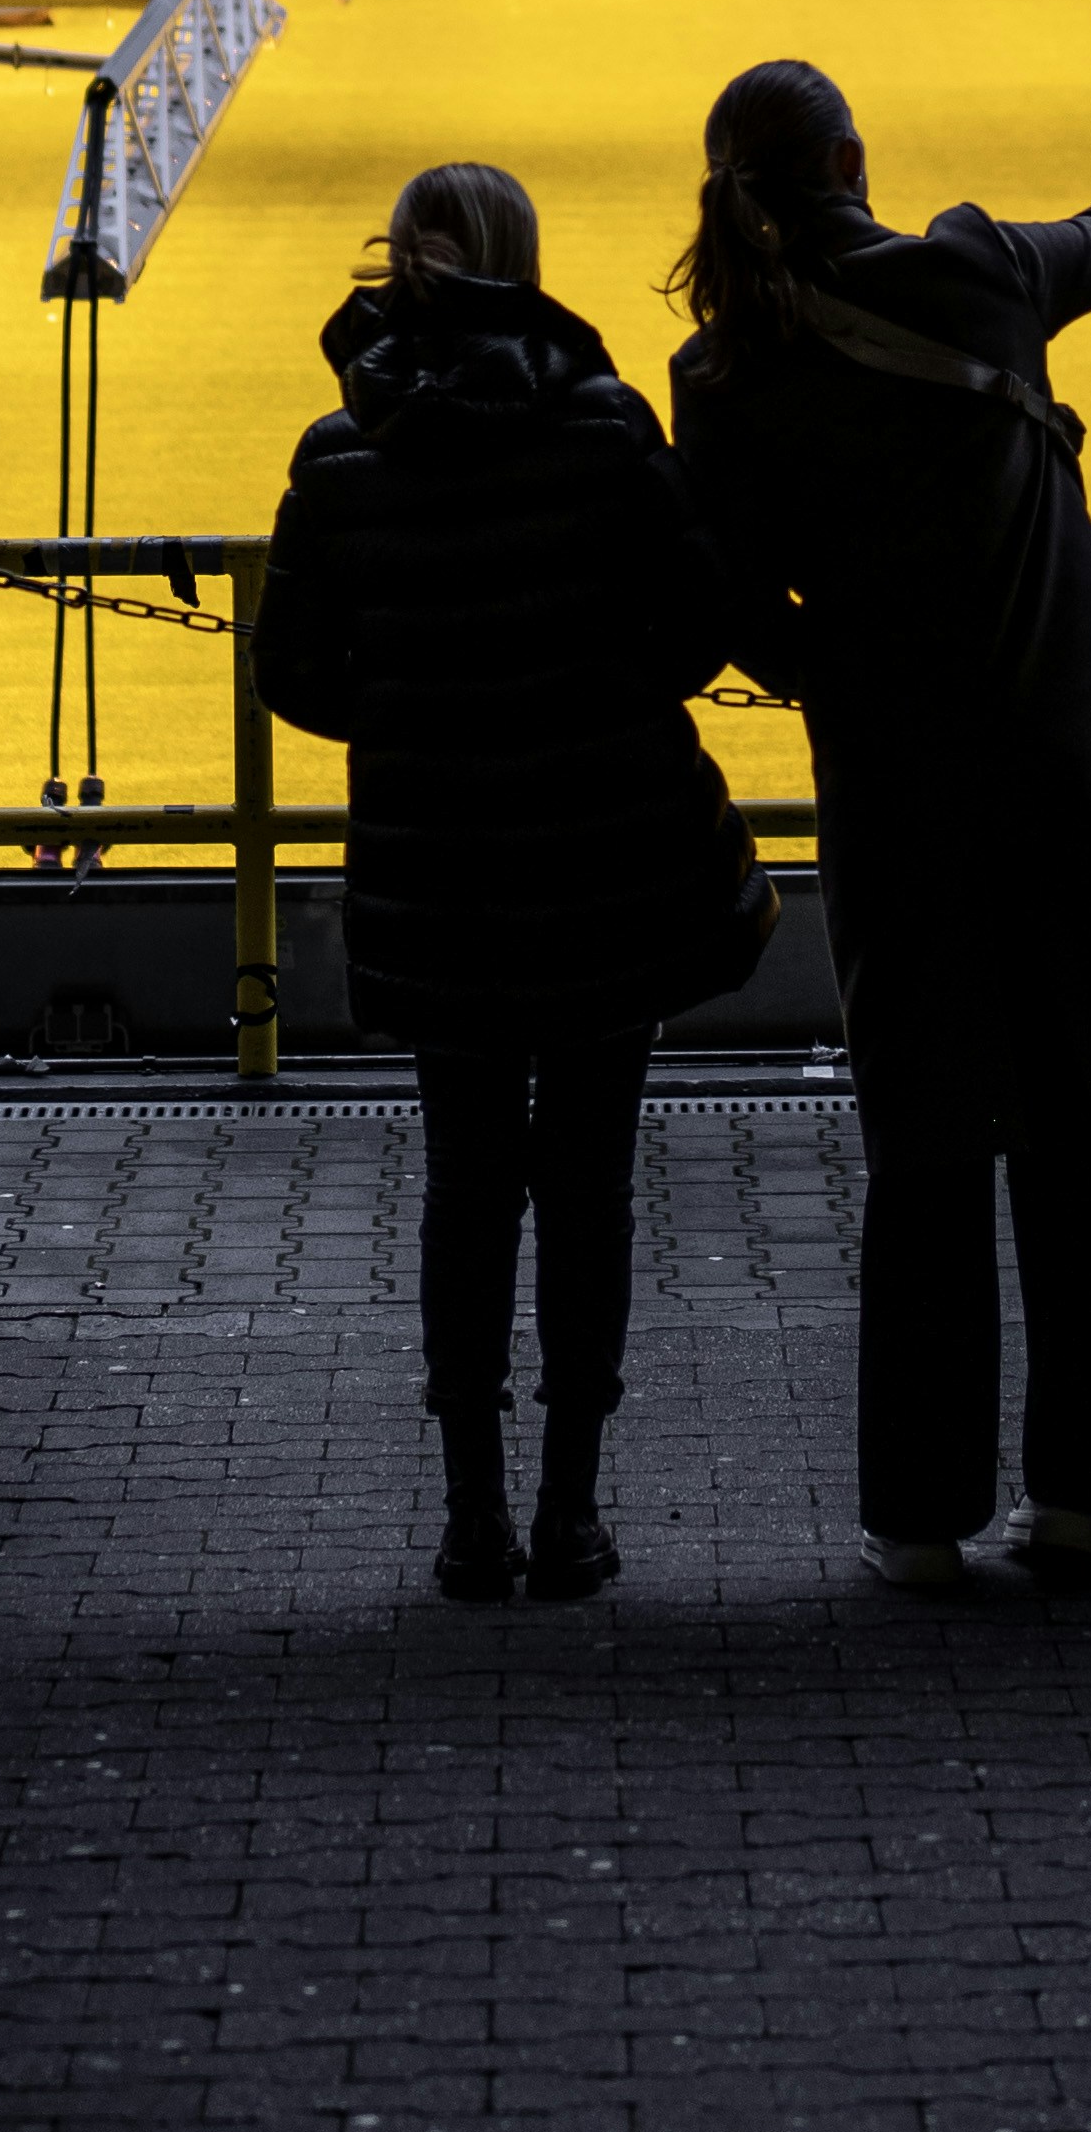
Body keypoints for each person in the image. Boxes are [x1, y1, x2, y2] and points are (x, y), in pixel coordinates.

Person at [669, 61, 1091, 1593]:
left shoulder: (723, 371)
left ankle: (919, 1514)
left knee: (927, 1139)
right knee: (1089, 1118)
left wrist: (841, 679)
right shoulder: (980, 273)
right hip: (1065, 781)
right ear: (851, 154)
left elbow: (724, 607)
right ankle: (1081, 1496)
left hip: (893, 789)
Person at [252, 158, 771, 1604]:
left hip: (439, 878)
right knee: (589, 1189)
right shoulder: (602, 425)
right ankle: (571, 1515)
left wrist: (420, 713)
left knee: (468, 1191)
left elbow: (294, 671)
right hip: (605, 864)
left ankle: (470, 1516)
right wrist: (598, 696)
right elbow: (699, 621)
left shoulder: (337, 450)